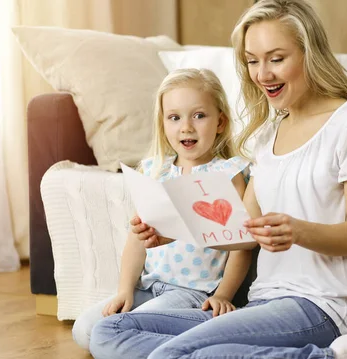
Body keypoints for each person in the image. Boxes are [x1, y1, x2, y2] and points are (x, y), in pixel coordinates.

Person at [88, 0, 347, 358]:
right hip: (261, 302)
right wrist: (172, 231)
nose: (262, 74)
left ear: (310, 54)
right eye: (252, 60)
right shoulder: (266, 136)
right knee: (108, 330)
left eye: (276, 59)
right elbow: (241, 233)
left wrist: (297, 231)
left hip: (319, 307)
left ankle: (335, 355)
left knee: (169, 355)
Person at [72, 68, 253, 350]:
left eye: (199, 115)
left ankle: (194, 333)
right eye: (174, 117)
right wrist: (125, 290)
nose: (186, 127)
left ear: (220, 121)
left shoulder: (228, 173)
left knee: (130, 329)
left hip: (192, 293)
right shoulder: (155, 170)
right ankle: (179, 343)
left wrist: (224, 295)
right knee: (83, 330)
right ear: (164, 123)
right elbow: (138, 238)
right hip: (149, 286)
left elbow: (242, 245)